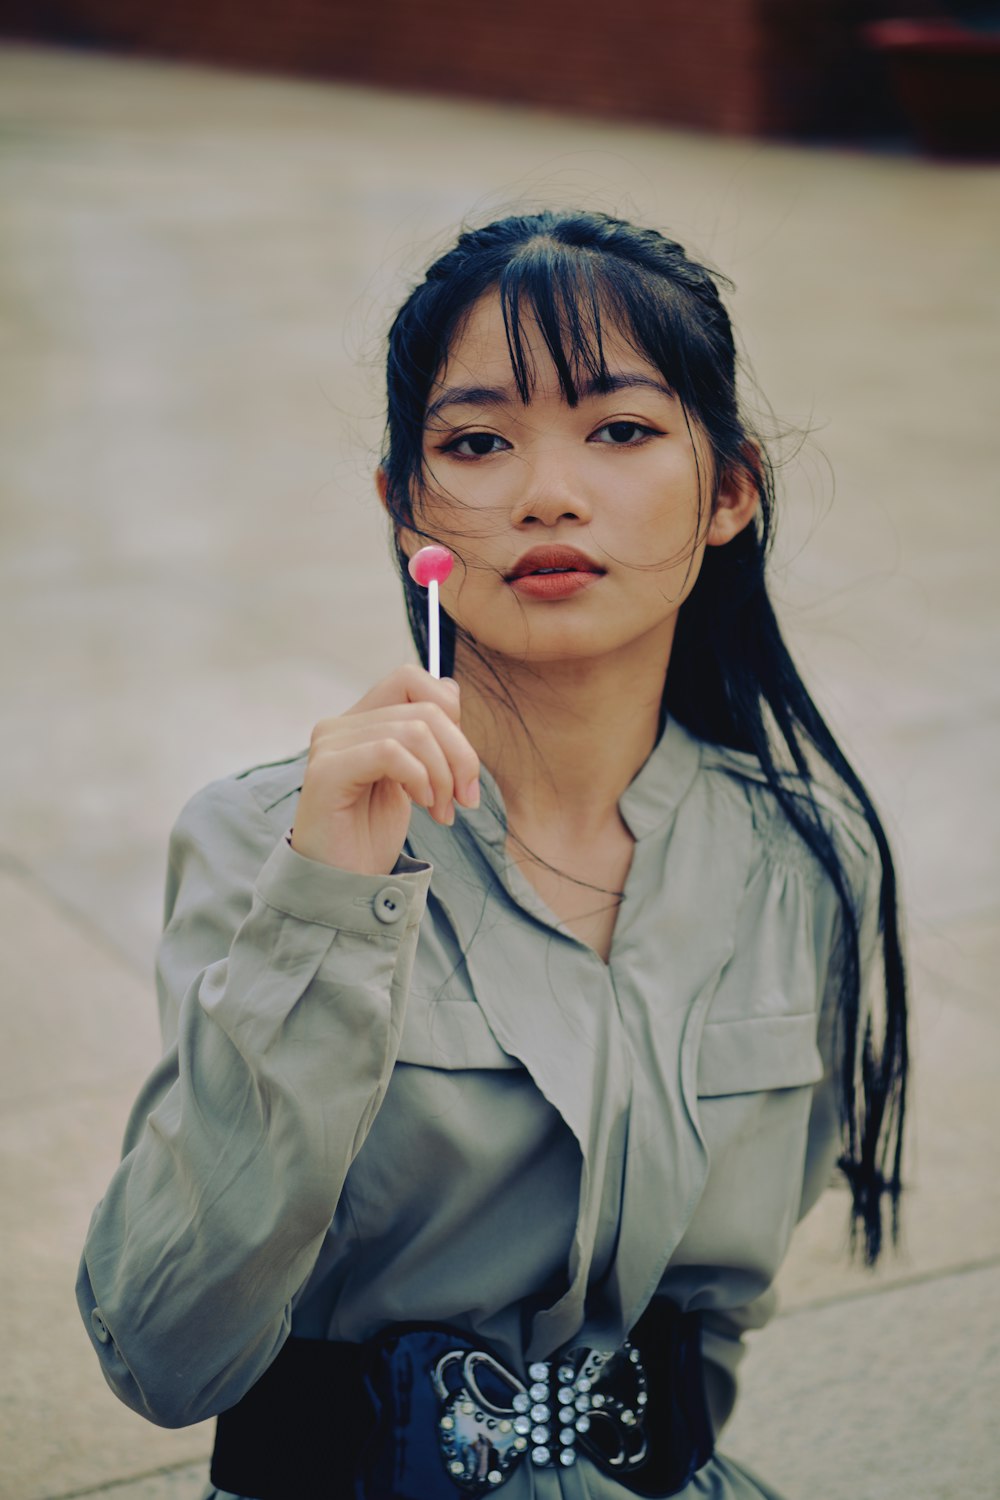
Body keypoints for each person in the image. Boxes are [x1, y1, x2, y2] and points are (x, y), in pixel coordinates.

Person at [77, 210, 908, 1500]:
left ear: (730, 489)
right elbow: (166, 1357)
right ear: (406, 506)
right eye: (476, 442)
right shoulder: (272, 839)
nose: (546, 493)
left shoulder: (806, 858)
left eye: (621, 429)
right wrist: (324, 914)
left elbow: (721, 1316)